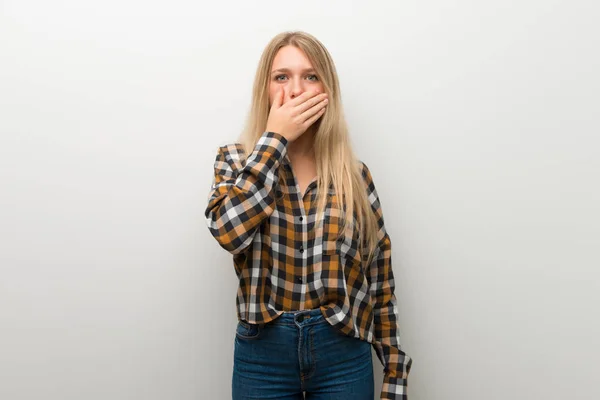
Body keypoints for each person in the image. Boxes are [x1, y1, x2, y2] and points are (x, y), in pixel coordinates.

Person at [205, 31, 413, 400]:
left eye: (310, 76)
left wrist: (395, 376)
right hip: (262, 357)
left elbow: (380, 282)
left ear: (326, 90)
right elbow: (227, 232)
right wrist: (275, 139)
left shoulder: (354, 176)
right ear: (265, 89)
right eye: (282, 77)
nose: (296, 89)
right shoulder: (235, 161)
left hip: (343, 355)